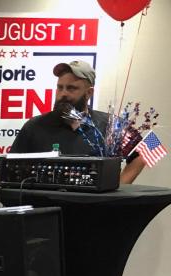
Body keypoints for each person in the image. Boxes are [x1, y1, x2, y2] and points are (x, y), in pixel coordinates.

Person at [10, 60, 145, 184]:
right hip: (46, 206)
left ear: (88, 93)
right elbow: (10, 169)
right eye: (60, 87)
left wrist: (119, 189)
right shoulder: (35, 126)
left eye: (71, 88)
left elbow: (149, 149)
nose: (63, 94)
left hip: (92, 208)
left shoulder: (110, 125)